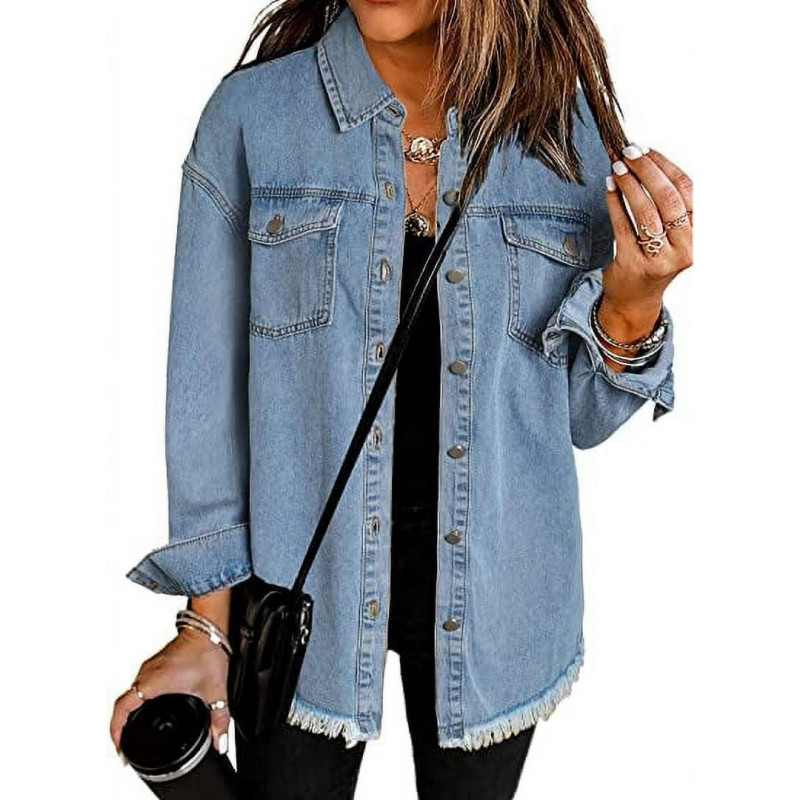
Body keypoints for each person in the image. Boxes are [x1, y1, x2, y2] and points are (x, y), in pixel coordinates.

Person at [110, 1, 692, 797]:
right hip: (297, 588)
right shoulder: (253, 118)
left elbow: (582, 420)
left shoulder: (563, 132)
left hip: (501, 599)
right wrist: (205, 625)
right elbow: (206, 397)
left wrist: (636, 301)